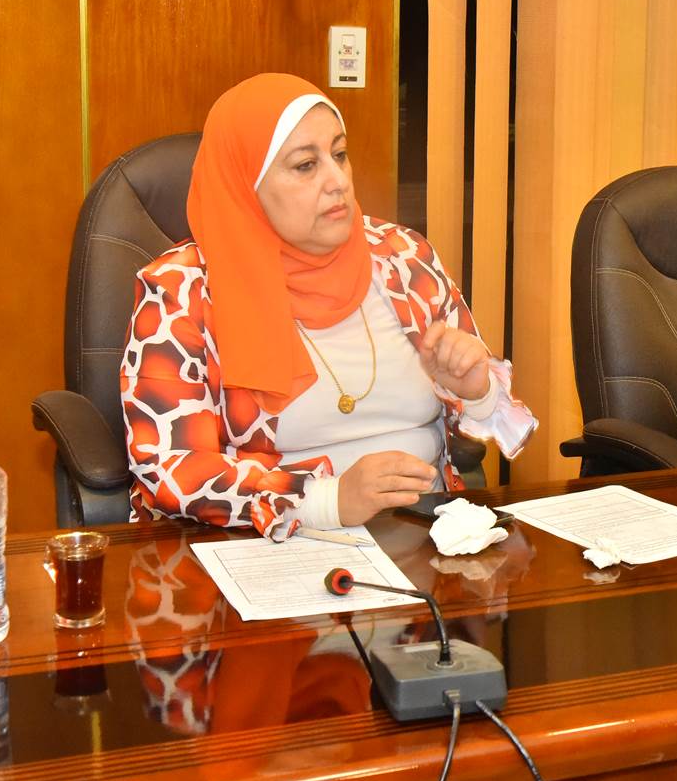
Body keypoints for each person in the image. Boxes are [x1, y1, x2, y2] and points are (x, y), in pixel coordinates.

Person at [121, 73, 537, 540]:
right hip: (273, 549)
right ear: (245, 185)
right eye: (305, 166)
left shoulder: (403, 257)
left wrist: (476, 391)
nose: (338, 181)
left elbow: (475, 436)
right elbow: (171, 467)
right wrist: (325, 499)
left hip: (428, 537)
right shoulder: (182, 290)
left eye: (339, 155)